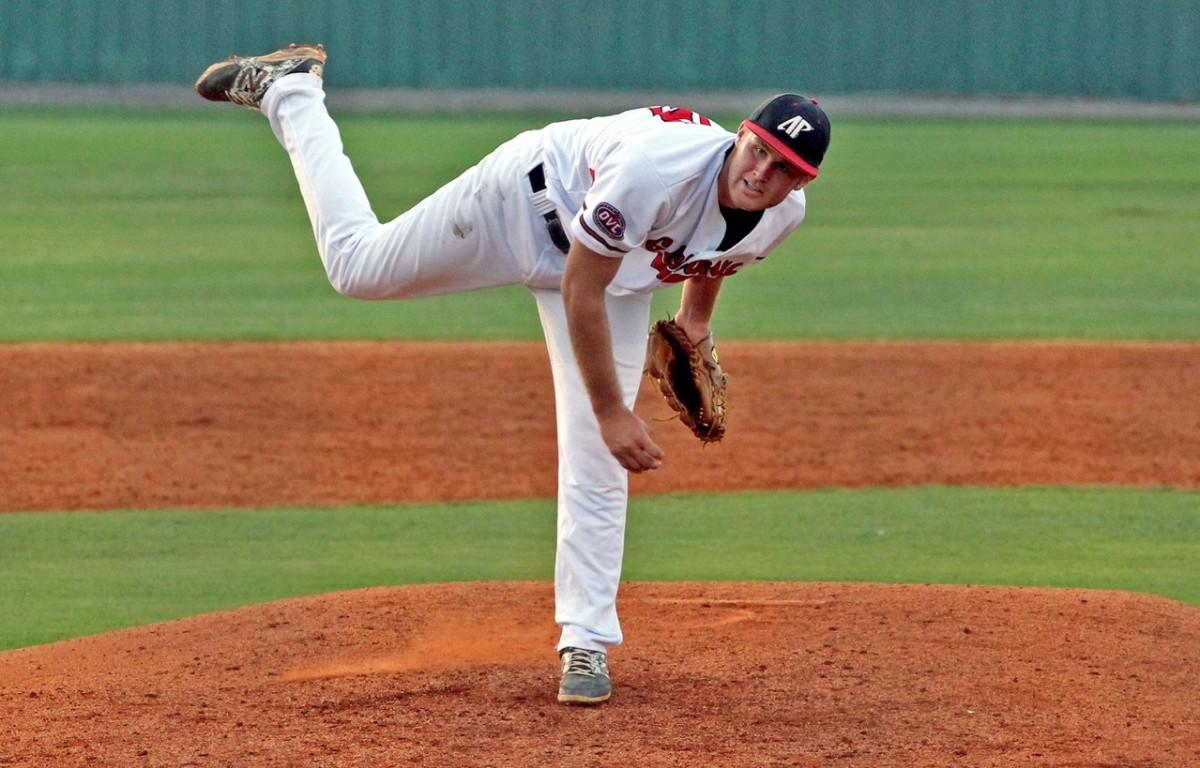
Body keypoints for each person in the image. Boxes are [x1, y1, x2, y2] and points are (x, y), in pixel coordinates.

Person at [195, 43, 831, 706]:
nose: (761, 171)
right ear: (742, 136)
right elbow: (580, 285)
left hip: (614, 278)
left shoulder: (781, 217)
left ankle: (584, 643)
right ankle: (293, 93)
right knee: (357, 267)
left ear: (801, 183)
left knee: (599, 462)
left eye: (782, 167)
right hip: (522, 207)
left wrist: (694, 329)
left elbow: (714, 256)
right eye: (757, 149)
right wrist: (613, 410)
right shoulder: (657, 169)